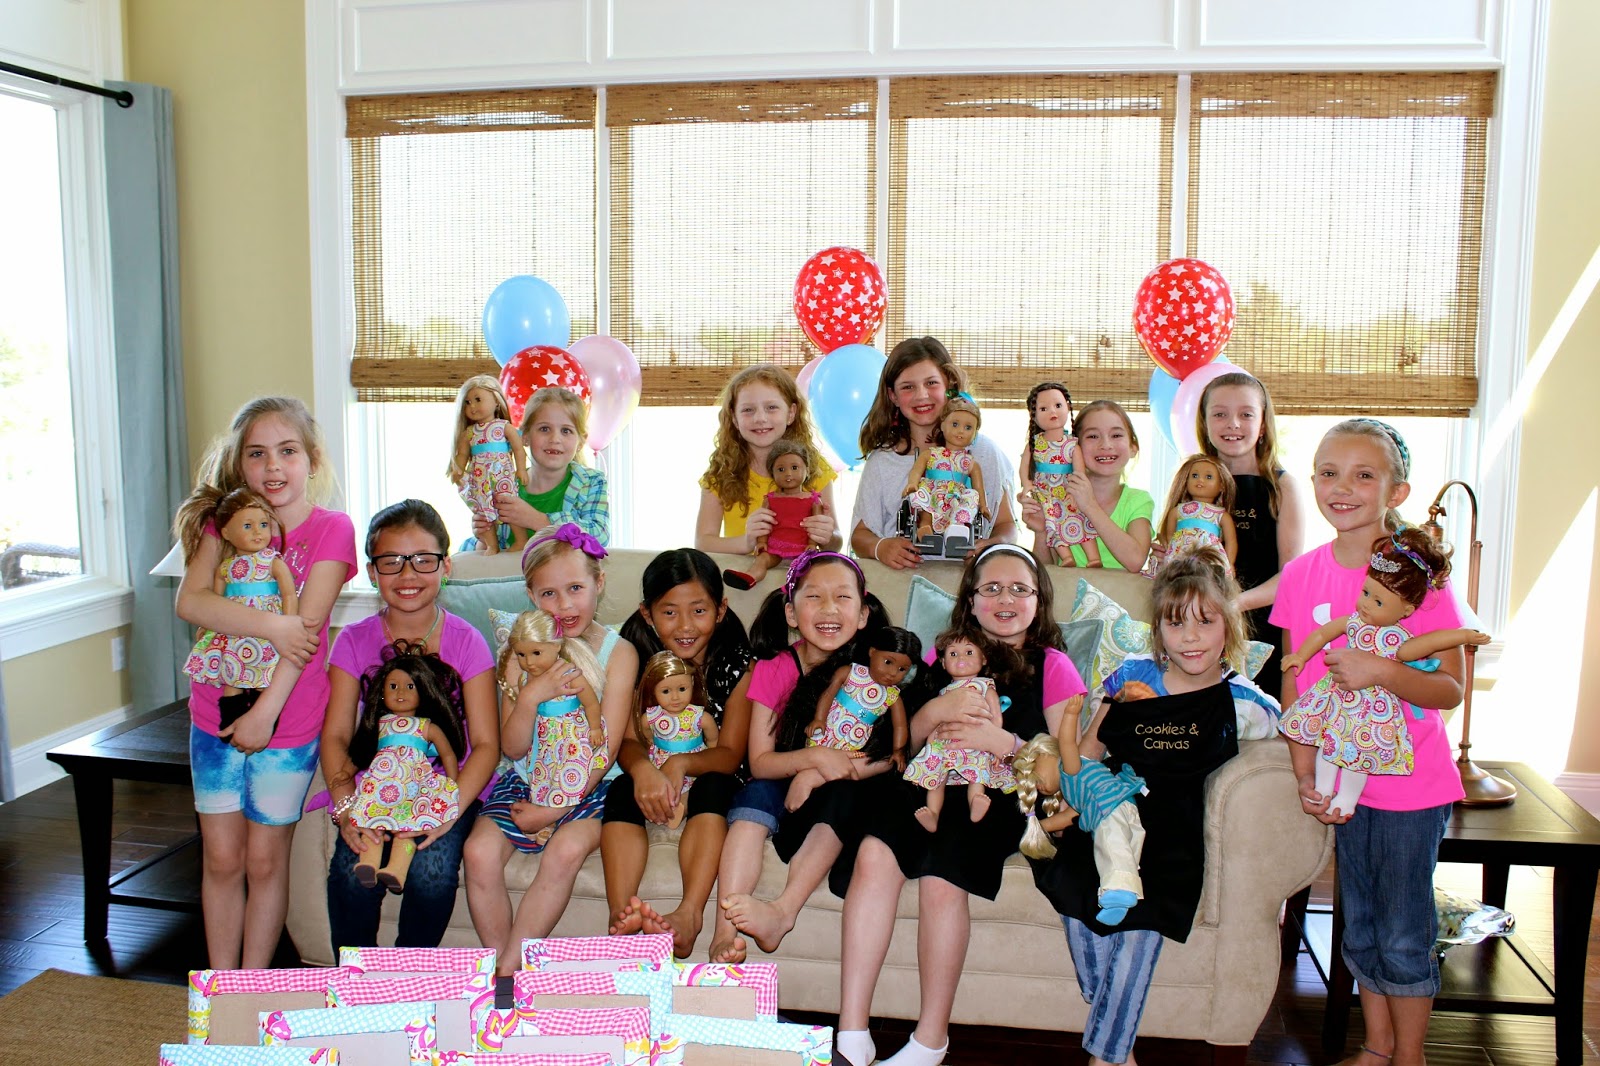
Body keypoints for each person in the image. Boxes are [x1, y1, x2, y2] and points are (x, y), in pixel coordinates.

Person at [835, 544, 1086, 1066]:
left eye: (1019, 589)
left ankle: (931, 1039)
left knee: (941, 874)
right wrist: (934, 711)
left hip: (996, 792)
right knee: (874, 853)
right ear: (970, 602)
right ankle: (851, 1030)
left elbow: (1069, 766)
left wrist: (1003, 742)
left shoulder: (1053, 665)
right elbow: (901, 742)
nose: (1005, 599)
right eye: (991, 588)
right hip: (928, 780)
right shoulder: (943, 657)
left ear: (1038, 602)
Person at [1029, 546, 1281, 1066]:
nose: (1190, 637)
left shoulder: (1242, 700)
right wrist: (1110, 711)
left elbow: (1281, 730)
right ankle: (1113, 1030)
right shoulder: (1131, 676)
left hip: (1172, 831)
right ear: (1159, 630)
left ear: (1229, 626)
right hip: (1106, 812)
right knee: (1071, 886)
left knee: (1143, 918)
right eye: (1175, 623)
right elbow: (1089, 754)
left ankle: (1108, 1055)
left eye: (1205, 622)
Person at [1271, 419, 1468, 1066]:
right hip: (1340, 783)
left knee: (1404, 930)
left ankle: (1410, 1057)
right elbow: (1296, 685)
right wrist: (1305, 773)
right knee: (1360, 925)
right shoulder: (1301, 576)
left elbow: (1450, 689)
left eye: (1363, 475)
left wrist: (1381, 671)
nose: (1342, 487)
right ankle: (1378, 1048)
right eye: (1329, 473)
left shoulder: (1417, 577)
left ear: (1396, 491)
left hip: (1412, 789)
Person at [174, 396, 357, 969]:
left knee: (264, 862)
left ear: (312, 460)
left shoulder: (332, 530)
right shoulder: (221, 525)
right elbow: (191, 602)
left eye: (287, 451)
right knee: (222, 860)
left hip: (289, 722)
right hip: (213, 718)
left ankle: (251, 988)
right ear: (240, 462)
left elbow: (305, 639)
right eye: (257, 454)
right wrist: (273, 624)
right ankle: (220, 990)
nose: (272, 466)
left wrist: (263, 714)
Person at [318, 499, 499, 952]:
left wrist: (449, 809)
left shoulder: (468, 642)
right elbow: (336, 735)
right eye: (391, 561)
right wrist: (347, 808)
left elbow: (485, 745)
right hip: (376, 787)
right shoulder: (353, 641)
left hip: (445, 788)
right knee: (351, 875)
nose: (407, 574)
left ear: (446, 566)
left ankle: (411, 974)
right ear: (371, 571)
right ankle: (355, 980)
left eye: (423, 559)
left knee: (432, 872)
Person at [462, 523, 639, 976]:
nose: (564, 605)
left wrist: (555, 809)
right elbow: (512, 746)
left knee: (564, 850)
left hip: (594, 785)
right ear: (530, 595)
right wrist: (528, 697)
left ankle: (506, 972)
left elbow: (606, 747)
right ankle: (507, 971)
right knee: (478, 852)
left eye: (575, 588)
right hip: (527, 776)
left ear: (599, 583)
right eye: (548, 594)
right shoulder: (518, 655)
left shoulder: (619, 653)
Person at [708, 551, 894, 964]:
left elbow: (891, 754)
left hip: (850, 787)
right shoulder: (773, 668)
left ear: (863, 614)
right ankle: (724, 931)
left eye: (842, 597)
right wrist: (814, 759)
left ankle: (782, 913)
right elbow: (761, 761)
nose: (829, 609)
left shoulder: (878, 672)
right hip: (783, 782)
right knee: (754, 796)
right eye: (814, 597)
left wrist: (822, 771)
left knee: (844, 795)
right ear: (791, 612)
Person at [603, 549, 754, 959]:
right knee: (620, 790)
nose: (685, 626)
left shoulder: (740, 667)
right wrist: (642, 770)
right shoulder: (635, 658)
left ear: (720, 610)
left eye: (699, 610)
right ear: (647, 614)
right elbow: (628, 740)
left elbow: (730, 754)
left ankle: (689, 915)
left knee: (715, 785)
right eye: (669, 612)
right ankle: (621, 916)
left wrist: (681, 762)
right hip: (654, 775)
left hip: (711, 775)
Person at [1280, 527, 1489, 816]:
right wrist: (1300, 656)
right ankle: (1329, 790)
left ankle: (1346, 797)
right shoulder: (1305, 579)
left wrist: (1462, 635)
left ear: (1406, 610)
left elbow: (1435, 661)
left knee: (1361, 757)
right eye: (1365, 593)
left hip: (1408, 783)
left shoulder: (1401, 630)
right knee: (1333, 748)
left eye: (1377, 602)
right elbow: (1313, 646)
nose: (1366, 604)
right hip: (1339, 720)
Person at [849, 337, 1017, 569]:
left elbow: (1007, 525)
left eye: (931, 383)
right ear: (893, 396)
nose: (921, 395)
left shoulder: (984, 452)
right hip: (903, 582)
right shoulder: (883, 460)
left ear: (949, 386)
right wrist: (881, 547)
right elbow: (859, 536)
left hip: (970, 582)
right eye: (908, 387)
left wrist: (993, 546)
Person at [1195, 371, 1305, 681]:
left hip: (1262, 630)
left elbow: (1290, 575)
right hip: (1199, 625)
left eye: (1246, 414)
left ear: (1263, 425)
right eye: (1220, 414)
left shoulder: (1282, 487)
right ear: (1205, 423)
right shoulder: (1192, 482)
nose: (1233, 423)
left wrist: (1234, 605)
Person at [696, 363, 840, 559]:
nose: (760, 418)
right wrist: (747, 541)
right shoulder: (722, 472)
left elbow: (836, 541)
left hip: (800, 576)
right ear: (734, 418)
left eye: (771, 408)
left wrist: (826, 535)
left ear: (791, 413)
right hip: (744, 576)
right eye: (748, 410)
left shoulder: (815, 467)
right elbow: (703, 542)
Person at [469, 386, 610, 554]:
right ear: (525, 436)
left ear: (580, 442)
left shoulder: (592, 483)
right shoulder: (503, 485)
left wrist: (538, 520)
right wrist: (483, 538)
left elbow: (600, 536)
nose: (555, 439)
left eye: (566, 431)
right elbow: (489, 554)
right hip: (510, 571)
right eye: (544, 429)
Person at [1020, 400, 1150, 572]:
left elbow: (1135, 561)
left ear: (1133, 447)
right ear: (1074, 447)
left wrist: (1089, 505)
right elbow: (1044, 572)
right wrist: (1041, 531)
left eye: (1116, 435)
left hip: (1118, 590)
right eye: (1092, 436)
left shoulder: (1138, 500)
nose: (1105, 445)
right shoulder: (1057, 498)